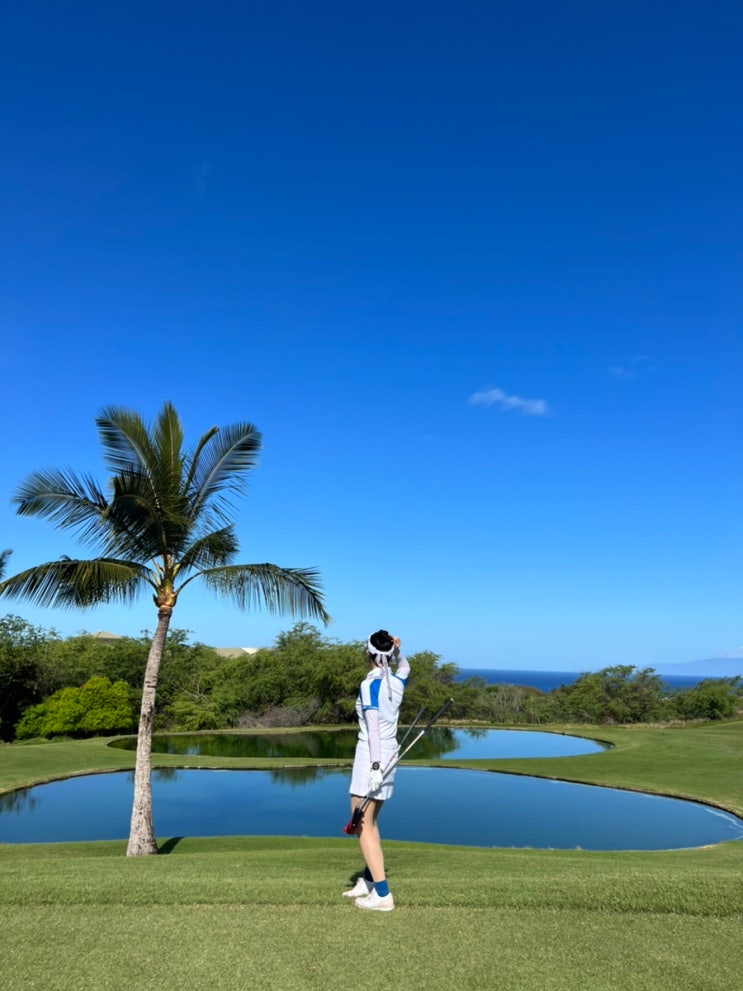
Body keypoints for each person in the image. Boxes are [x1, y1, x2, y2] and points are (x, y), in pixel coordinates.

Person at [343, 629, 410, 912]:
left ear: (368, 653)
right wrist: (399, 652)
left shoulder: (369, 684)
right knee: (371, 822)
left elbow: (371, 728)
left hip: (372, 756)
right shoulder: (397, 681)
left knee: (361, 825)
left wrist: (373, 767)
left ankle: (382, 895)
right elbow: (405, 667)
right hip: (390, 754)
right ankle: (369, 881)